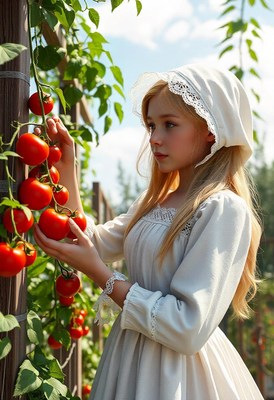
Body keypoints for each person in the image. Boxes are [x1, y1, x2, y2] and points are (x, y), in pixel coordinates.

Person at [34, 63, 264, 400]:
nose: (155, 138)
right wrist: (67, 166)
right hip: (128, 357)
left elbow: (188, 328)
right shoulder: (152, 202)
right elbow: (91, 243)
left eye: (170, 125)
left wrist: (104, 277)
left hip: (181, 377)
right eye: (152, 125)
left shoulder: (222, 208)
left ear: (211, 132)